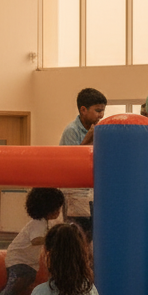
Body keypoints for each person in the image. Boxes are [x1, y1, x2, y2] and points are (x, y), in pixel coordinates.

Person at [0, 187, 65, 295]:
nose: (58, 211)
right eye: (57, 209)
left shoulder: (43, 223)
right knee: (18, 282)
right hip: (19, 260)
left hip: (26, 262)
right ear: (48, 209)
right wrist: (52, 237)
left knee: (26, 280)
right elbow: (35, 240)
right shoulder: (38, 223)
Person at [59, 87, 107, 239]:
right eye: (98, 110)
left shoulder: (100, 129)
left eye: (103, 111)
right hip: (75, 192)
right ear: (83, 110)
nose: (101, 115)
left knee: (94, 233)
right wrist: (88, 138)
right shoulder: (71, 131)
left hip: (93, 190)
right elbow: (72, 162)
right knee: (79, 233)